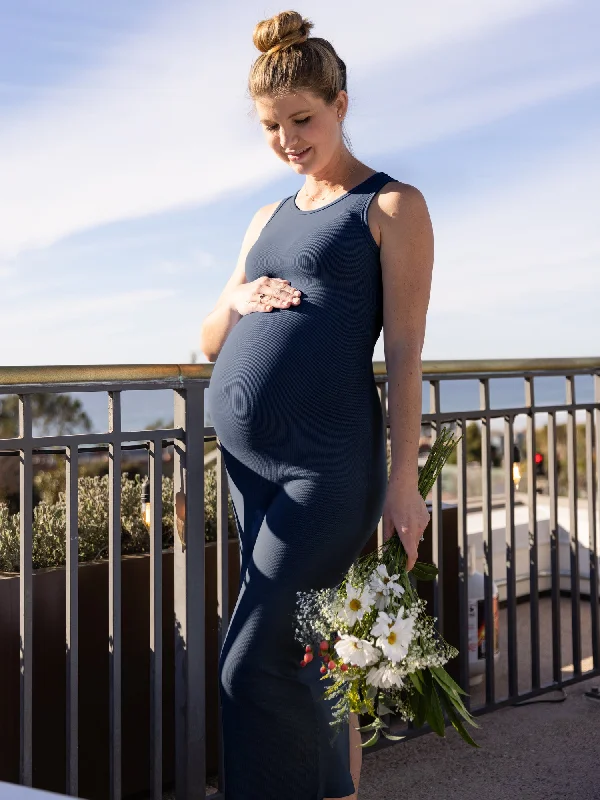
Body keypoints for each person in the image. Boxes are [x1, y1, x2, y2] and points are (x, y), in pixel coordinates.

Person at [200, 10, 433, 800]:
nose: (288, 139)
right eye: (272, 127)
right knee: (310, 654)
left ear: (340, 102)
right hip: (249, 471)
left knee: (251, 662)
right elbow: (206, 340)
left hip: (324, 467)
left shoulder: (391, 206)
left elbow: (403, 352)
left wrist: (405, 482)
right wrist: (237, 299)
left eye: (303, 119)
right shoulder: (265, 218)